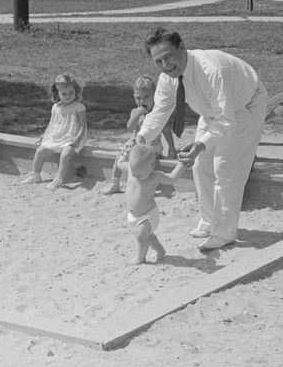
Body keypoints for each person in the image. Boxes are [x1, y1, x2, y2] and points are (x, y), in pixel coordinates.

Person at [133, 28, 268, 251]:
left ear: (182, 48)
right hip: (213, 111)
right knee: (200, 165)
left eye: (168, 56)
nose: (165, 65)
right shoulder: (168, 78)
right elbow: (160, 110)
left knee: (225, 167)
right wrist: (141, 137)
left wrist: (200, 143)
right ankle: (208, 222)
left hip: (245, 106)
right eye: (158, 61)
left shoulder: (212, 70)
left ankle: (224, 232)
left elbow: (226, 120)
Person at [99, 75, 175, 195]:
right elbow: (130, 128)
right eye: (139, 98)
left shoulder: (158, 113)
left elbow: (167, 131)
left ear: (155, 96)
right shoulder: (135, 112)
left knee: (143, 162)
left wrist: (172, 147)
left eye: (146, 97)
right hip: (134, 147)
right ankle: (115, 181)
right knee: (121, 153)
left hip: (153, 149)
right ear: (134, 97)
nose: (142, 101)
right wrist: (137, 114)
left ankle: (144, 185)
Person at [118, 144, 186, 264]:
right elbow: (120, 163)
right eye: (134, 173)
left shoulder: (155, 177)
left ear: (152, 167)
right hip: (134, 216)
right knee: (148, 236)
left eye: (139, 174)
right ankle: (161, 251)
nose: (136, 176)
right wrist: (125, 153)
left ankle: (141, 258)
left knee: (140, 236)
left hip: (148, 216)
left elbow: (172, 178)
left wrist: (181, 164)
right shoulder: (131, 169)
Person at [21, 73, 88, 190]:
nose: (68, 96)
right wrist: (45, 135)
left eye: (71, 93)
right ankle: (35, 175)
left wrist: (76, 139)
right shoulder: (56, 107)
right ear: (57, 94)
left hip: (73, 137)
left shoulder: (79, 107)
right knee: (40, 151)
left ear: (76, 91)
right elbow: (52, 124)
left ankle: (59, 179)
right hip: (58, 136)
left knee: (65, 154)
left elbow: (83, 125)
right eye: (64, 94)